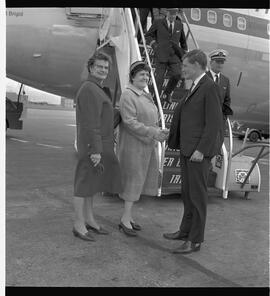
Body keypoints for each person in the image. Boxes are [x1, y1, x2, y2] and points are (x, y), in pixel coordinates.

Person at [164, 49, 223, 254]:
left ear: (197, 65)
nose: (183, 69)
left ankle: (195, 240)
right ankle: (184, 231)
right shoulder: (196, 86)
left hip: (197, 153)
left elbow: (214, 123)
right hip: (188, 149)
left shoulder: (209, 87)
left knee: (197, 197)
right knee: (188, 195)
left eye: (186, 65)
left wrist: (201, 150)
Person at [73, 51, 122, 241]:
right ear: (91, 68)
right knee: (83, 184)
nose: (103, 70)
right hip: (93, 147)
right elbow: (90, 123)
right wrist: (95, 150)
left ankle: (90, 220)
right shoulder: (89, 89)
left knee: (92, 185)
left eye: (106, 67)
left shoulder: (97, 88)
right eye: (99, 66)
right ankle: (78, 224)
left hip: (100, 146)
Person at [118, 61, 169, 236]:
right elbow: (129, 122)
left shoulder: (144, 95)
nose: (145, 78)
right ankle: (125, 219)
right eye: (142, 74)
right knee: (132, 182)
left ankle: (129, 217)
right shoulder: (128, 95)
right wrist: (153, 132)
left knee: (138, 182)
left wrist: (158, 131)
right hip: (133, 146)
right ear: (133, 76)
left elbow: (149, 118)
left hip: (145, 144)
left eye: (147, 75)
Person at [145, 7, 188, 104]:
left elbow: (183, 41)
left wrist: (185, 55)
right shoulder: (158, 22)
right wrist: (154, 45)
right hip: (161, 55)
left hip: (174, 55)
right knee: (159, 79)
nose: (172, 16)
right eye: (171, 14)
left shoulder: (179, 25)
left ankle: (167, 93)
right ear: (167, 13)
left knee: (177, 74)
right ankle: (155, 102)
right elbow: (148, 35)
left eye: (174, 15)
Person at [206, 49, 233, 118]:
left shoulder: (225, 80)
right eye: (218, 62)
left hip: (218, 119)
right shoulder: (203, 77)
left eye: (222, 62)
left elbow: (227, 100)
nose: (220, 64)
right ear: (211, 62)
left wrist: (223, 117)